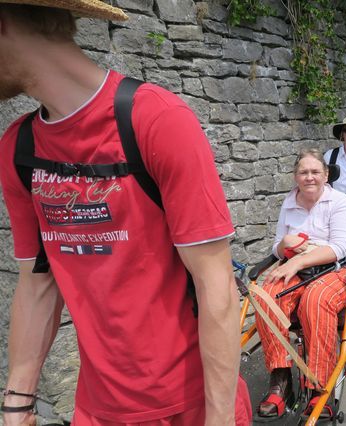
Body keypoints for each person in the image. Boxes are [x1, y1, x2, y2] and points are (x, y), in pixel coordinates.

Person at [0, 2, 250, 425]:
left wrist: (220, 418)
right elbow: (38, 283)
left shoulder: (156, 121)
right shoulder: (19, 149)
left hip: (191, 405)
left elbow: (217, 286)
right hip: (97, 409)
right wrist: (17, 402)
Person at [254, 149, 346, 420]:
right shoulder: (288, 203)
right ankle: (281, 381)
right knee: (267, 297)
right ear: (295, 176)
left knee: (316, 299)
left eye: (315, 172)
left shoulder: (337, 201)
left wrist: (296, 263)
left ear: (325, 175)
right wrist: (284, 245)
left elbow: (338, 247)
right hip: (296, 267)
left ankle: (319, 388)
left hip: (334, 269)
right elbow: (278, 248)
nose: (309, 177)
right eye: (303, 172)